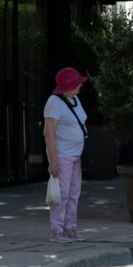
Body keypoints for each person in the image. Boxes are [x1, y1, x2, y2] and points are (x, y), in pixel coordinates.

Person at [44, 67, 89, 243]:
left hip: (75, 155)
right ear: (68, 86)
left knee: (73, 193)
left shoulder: (74, 99)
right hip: (62, 155)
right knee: (61, 194)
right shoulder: (54, 103)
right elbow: (48, 133)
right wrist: (53, 161)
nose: (80, 86)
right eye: (77, 83)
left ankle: (70, 228)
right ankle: (57, 231)